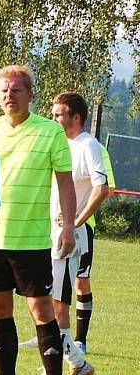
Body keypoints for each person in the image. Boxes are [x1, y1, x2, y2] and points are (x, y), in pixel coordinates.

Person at [0, 65, 77, 375]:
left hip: (32, 238)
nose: (9, 96)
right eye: (4, 90)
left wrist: (67, 226)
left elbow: (65, 182)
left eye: (16, 90)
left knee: (40, 308)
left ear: (30, 94)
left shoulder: (50, 132)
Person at [19, 92, 107, 375]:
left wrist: (76, 221)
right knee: (48, 302)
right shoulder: (62, 145)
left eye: (59, 114)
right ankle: (53, 369)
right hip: (49, 235)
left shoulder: (87, 145)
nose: (54, 118)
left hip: (69, 238)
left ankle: (74, 364)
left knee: (57, 304)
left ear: (76, 118)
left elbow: (102, 188)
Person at [75, 143, 114, 352]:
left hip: (82, 227)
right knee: (49, 283)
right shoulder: (54, 140)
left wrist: (79, 213)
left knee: (81, 281)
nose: (54, 118)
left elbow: (108, 189)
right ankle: (50, 335)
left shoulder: (94, 147)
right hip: (52, 225)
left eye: (59, 113)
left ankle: (80, 340)